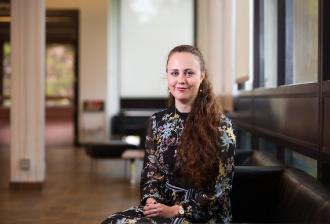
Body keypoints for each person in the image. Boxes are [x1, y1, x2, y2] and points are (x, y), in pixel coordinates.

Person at [101, 45, 236, 224]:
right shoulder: (156, 122)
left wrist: (175, 210)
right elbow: (151, 173)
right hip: (163, 206)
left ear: (202, 76)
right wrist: (152, 202)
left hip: (203, 214)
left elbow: (221, 191)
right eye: (174, 73)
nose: (181, 80)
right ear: (167, 76)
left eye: (189, 73)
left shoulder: (222, 126)